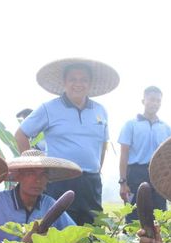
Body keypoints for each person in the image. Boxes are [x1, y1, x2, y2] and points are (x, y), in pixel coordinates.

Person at [15, 58, 119, 225]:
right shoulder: (49, 108)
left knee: (93, 228)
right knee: (58, 227)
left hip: (91, 182)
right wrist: (34, 169)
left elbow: (103, 143)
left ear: (90, 83)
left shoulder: (100, 111)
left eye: (83, 79)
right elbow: (21, 134)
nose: (78, 84)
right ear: (64, 82)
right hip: (60, 180)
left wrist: (97, 169)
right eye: (73, 79)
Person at [0, 149, 81, 243]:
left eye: (43, 174)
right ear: (18, 176)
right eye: (30, 174)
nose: (38, 180)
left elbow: (76, 239)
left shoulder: (49, 204)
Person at [118, 86, 171, 222]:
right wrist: (123, 183)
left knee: (159, 218)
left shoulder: (165, 128)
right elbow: (124, 154)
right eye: (151, 99)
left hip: (158, 176)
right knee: (134, 217)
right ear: (143, 101)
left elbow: (169, 156)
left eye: (158, 101)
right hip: (135, 175)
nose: (155, 103)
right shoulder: (131, 125)